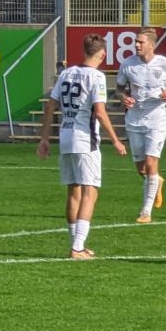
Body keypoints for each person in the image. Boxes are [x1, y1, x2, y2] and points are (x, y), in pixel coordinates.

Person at [38, 33, 128, 258]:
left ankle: (76, 243)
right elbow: (99, 112)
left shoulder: (66, 74)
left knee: (73, 190)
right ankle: (77, 247)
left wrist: (45, 138)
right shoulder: (96, 77)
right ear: (102, 54)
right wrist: (115, 139)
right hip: (85, 139)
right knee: (90, 191)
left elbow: (50, 107)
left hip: (65, 136)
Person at [116, 28, 166, 223]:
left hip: (156, 119)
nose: (136, 45)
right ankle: (157, 182)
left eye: (140, 42)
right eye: (136, 42)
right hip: (134, 119)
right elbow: (119, 88)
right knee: (141, 168)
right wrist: (123, 98)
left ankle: (145, 212)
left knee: (150, 162)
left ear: (151, 45)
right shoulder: (128, 65)